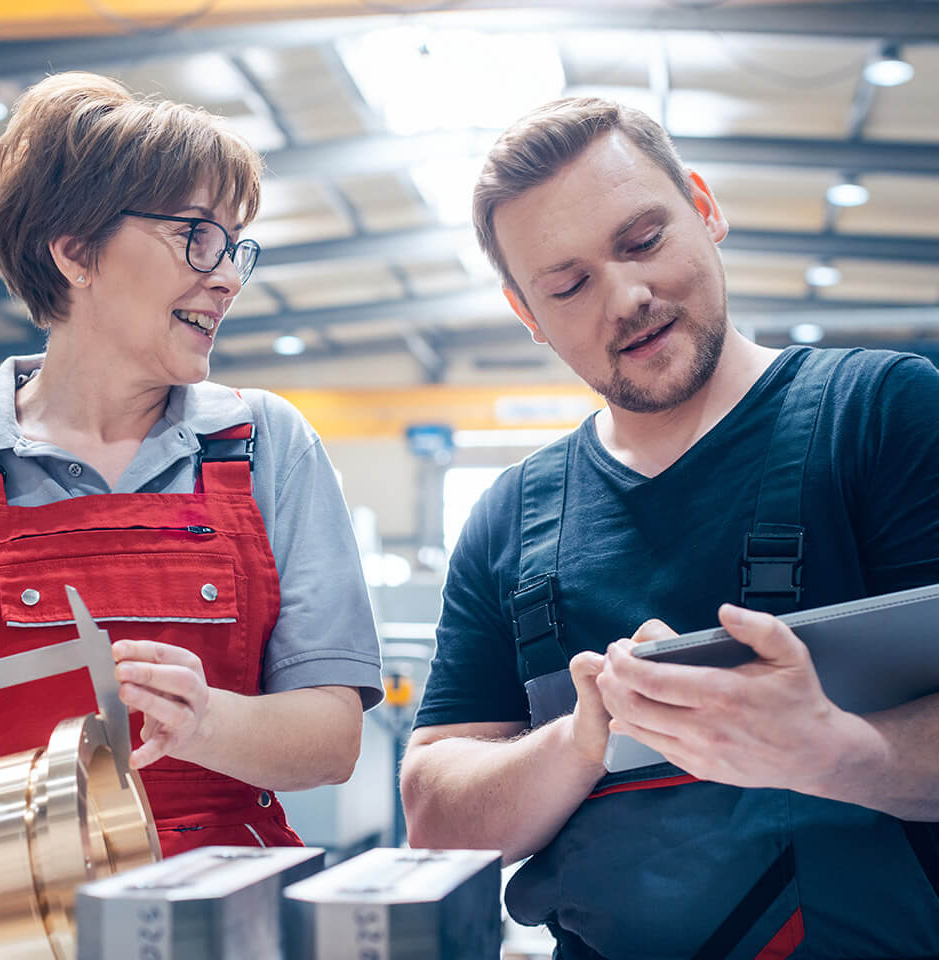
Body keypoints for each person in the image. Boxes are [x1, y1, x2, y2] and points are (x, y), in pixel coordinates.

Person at [401, 96, 939, 959]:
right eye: (569, 285)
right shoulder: (510, 518)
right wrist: (585, 738)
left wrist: (834, 750)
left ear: (705, 206)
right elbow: (436, 817)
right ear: (527, 315)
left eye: (643, 240)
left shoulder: (883, 417)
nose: (629, 297)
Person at [0, 72, 382, 960]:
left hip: (222, 919)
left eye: (235, 248)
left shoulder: (263, 447)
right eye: (197, 237)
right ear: (75, 251)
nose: (227, 277)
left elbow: (332, 740)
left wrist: (210, 721)